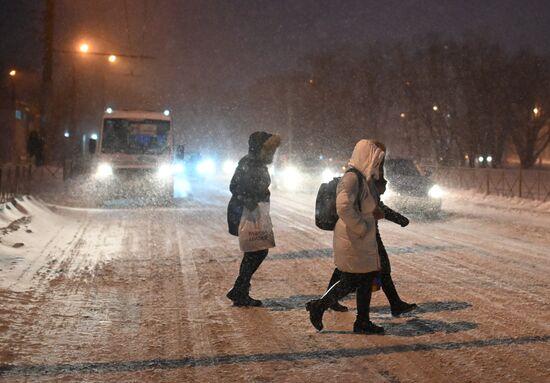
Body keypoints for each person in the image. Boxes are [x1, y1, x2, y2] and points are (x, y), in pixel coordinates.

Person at [306, 139, 386, 334]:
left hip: (360, 237)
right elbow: (343, 207)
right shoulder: (351, 178)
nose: (376, 162)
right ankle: (320, 306)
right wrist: (361, 227)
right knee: (352, 280)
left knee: (365, 279)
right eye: (375, 158)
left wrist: (373, 212)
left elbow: (362, 204)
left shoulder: (362, 177)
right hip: (353, 237)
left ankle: (362, 321)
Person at [325, 175, 417, 316]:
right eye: (383, 181)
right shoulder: (367, 191)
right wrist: (400, 219)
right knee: (366, 274)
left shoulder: (366, 189)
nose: (387, 182)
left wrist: (400, 219)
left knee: (348, 272)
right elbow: (379, 209)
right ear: (376, 184)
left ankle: (391, 305)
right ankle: (324, 304)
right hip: (365, 236)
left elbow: (379, 208)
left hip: (365, 235)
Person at [226, 131, 281, 306]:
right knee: (256, 251)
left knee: (254, 251)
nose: (272, 154)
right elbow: (235, 186)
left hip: (252, 212)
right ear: (261, 149)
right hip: (246, 213)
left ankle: (239, 289)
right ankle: (239, 290)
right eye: (269, 150)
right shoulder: (249, 164)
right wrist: (250, 202)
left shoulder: (256, 163)